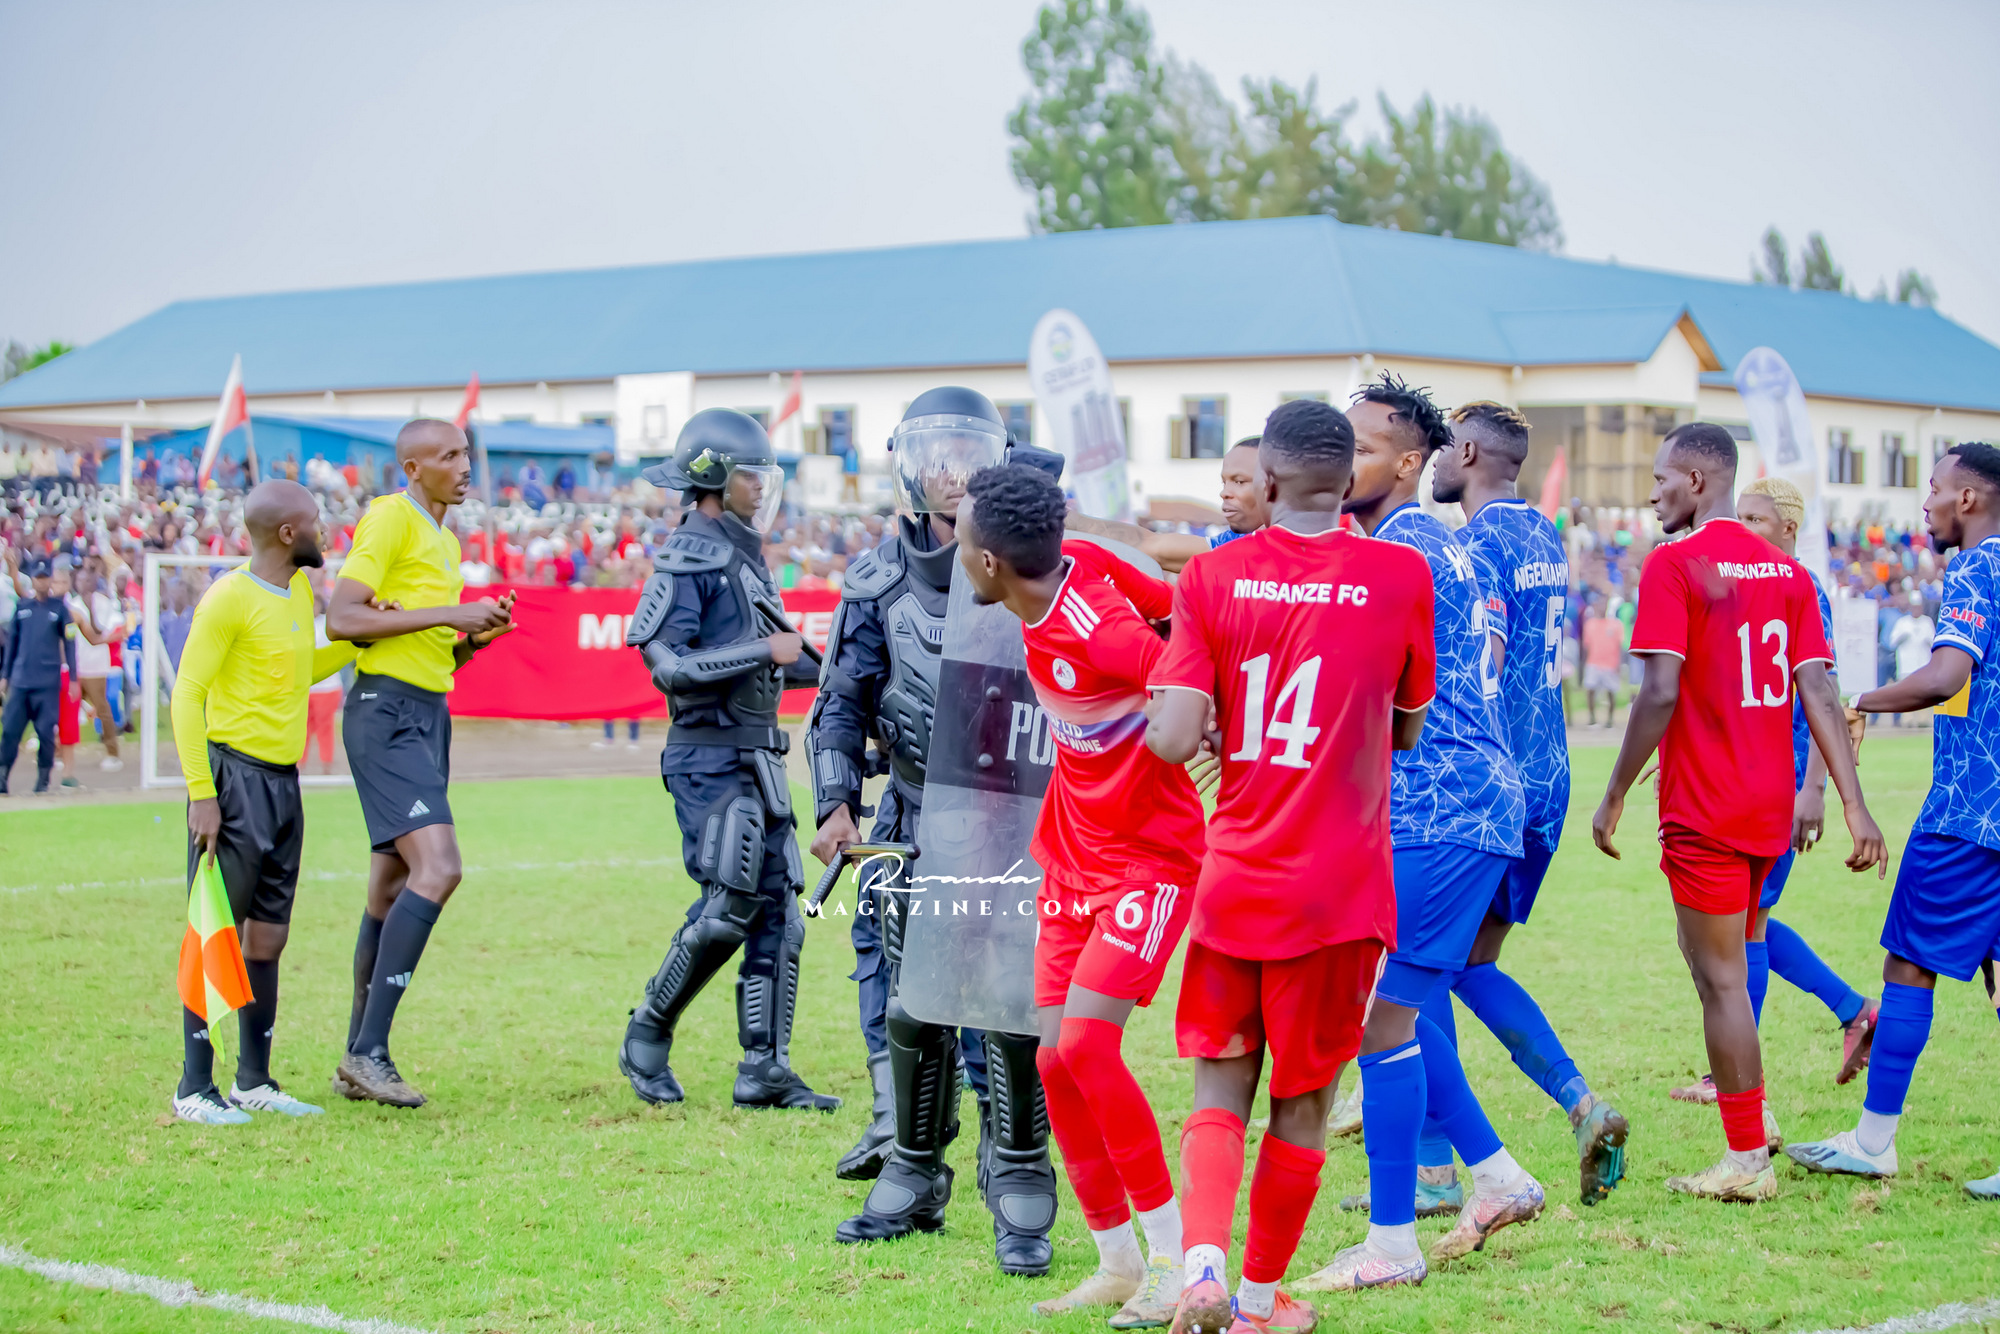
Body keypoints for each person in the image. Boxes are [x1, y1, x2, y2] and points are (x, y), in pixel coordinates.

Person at [1146, 397, 1432, 1332]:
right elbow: (1406, 725)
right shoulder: (1400, 573)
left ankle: (1200, 1270)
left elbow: (1172, 740)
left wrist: (1204, 715)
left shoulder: (1213, 575)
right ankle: (1260, 1304)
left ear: (1265, 481)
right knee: (1303, 1102)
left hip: (1238, 873)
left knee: (1219, 1084)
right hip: (1340, 888)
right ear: (1347, 481)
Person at [1591, 423, 1886, 1201]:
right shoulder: (1787, 573)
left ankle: (1747, 1158)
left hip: (1706, 804)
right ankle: (1756, 1130)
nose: (1652, 492)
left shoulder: (1676, 563)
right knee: (1737, 961)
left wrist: (1616, 792)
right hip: (1767, 805)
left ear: (1696, 480)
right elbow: (1819, 690)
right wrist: (1853, 805)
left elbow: (1659, 690)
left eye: (1662, 477)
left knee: (1718, 981)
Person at [807, 387, 1060, 1275]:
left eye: (968, 453)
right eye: (934, 454)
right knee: (915, 1005)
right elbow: (839, 703)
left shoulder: (1039, 567)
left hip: (1018, 822)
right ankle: (914, 1169)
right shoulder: (874, 579)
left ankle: (1019, 1168)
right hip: (912, 818)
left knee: (1014, 1006)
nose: (951, 473)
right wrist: (834, 802)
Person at [1305, 376, 1542, 1289]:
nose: (1341, 462)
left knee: (1376, 1019)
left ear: (1410, 463)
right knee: (1390, 1011)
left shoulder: (1399, 552)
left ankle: (1394, 1242)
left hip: (1444, 806)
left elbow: (1358, 691)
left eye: (1361, 448)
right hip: (1456, 803)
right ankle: (1497, 1176)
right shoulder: (1428, 541)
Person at [956, 463, 1200, 1326]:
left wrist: (1200, 730)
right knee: (1055, 1060)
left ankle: (1177, 1263)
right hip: (1070, 855)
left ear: (990, 562)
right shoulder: (1076, 566)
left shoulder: (1096, 628)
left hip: (1148, 860)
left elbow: (1182, 662)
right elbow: (1175, 597)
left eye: (962, 541)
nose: (957, 553)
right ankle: (1118, 1262)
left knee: (1089, 1046)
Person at [1423, 401, 1628, 1206]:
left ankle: (1437, 1172)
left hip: (1485, 779)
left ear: (1469, 453)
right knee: (1469, 963)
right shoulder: (1544, 533)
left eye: (1443, 448)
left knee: (1418, 966)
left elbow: (1489, 652)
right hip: (1549, 772)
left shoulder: (1473, 546)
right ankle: (1581, 1104)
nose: (1435, 461)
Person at [1787, 442, 2000, 1195]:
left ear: (1967, 498)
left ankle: (1874, 1142)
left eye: (1933, 488)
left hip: (1971, 812)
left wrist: (1860, 701)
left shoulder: (1977, 567)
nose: (1926, 503)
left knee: (1908, 964)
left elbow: (1947, 676)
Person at [617, 409, 837, 1114]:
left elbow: (781, 662)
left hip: (758, 757)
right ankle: (648, 1030)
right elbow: (669, 667)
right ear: (713, 478)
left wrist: (838, 674)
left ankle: (764, 1068)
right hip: (707, 759)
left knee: (780, 914)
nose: (761, 487)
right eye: (750, 475)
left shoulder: (746, 555)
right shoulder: (688, 555)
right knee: (727, 906)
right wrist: (765, 650)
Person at [324, 419, 516, 1108]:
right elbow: (343, 618)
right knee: (440, 869)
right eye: (448, 455)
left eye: (466, 454)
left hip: (428, 712)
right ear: (412, 467)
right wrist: (450, 612)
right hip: (386, 713)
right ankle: (369, 1053)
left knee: (389, 889)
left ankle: (355, 1056)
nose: (464, 466)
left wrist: (474, 638)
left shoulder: (445, 538)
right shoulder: (389, 518)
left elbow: (435, 650)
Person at [1671, 478, 1876, 1097]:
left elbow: (1823, 698)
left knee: (1747, 928)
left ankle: (1735, 1078)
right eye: (1741, 517)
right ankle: (1855, 1011)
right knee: (1739, 923)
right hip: (1740, 777)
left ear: (1789, 528)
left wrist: (1813, 787)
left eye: (1757, 520)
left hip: (1778, 783)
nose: (1746, 529)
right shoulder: (1743, 583)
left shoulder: (1801, 586)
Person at [167, 481, 360, 1124]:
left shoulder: (298, 591)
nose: (325, 532)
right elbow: (186, 694)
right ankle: (194, 1088)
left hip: (283, 784)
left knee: (268, 938)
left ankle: (254, 1081)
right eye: (316, 521)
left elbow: (299, 670)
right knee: (214, 931)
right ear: (286, 533)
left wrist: (360, 640)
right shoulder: (228, 598)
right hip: (232, 781)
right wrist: (202, 793)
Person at [1065, 436, 1270, 573]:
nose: (1224, 493)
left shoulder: (1283, 551)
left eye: (1239, 481)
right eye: (1224, 482)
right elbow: (1154, 547)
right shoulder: (1235, 544)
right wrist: (1067, 518)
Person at [0, 557, 77, 795]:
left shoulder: (60, 609)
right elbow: (11, 644)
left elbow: (70, 642)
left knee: (45, 733)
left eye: (45, 578)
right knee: (10, 731)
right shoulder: (23, 607)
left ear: (50, 580)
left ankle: (43, 780)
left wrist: (74, 678)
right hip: (21, 681)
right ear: (32, 579)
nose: (41, 582)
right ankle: (2, 777)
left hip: (47, 683)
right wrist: (5, 676)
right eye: (38, 578)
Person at [68, 563, 124, 770]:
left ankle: (113, 753)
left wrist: (90, 610)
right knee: (66, 708)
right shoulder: (72, 604)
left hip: (97, 665)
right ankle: (58, 753)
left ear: (94, 582)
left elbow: (101, 633)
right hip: (76, 663)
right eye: (80, 580)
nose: (83, 584)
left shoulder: (103, 603)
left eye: (87, 580)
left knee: (103, 709)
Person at [1888, 590, 1934, 726]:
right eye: (1914, 607)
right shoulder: (1903, 622)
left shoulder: (1927, 622)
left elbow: (1934, 642)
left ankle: (1923, 720)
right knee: (1906, 693)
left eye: (1918, 607)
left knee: (1923, 692)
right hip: (1906, 663)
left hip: (1923, 663)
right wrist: (1903, 636)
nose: (1916, 610)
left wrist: (1927, 640)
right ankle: (1907, 720)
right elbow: (1892, 642)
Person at [1580, 599, 1623, 728]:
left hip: (1610, 663)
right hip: (1593, 662)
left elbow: (1619, 646)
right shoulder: (1590, 624)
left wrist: (1618, 663)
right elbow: (1586, 646)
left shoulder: (1615, 624)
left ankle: (1610, 719)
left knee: (1611, 691)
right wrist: (1584, 664)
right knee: (1590, 690)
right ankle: (1592, 718)